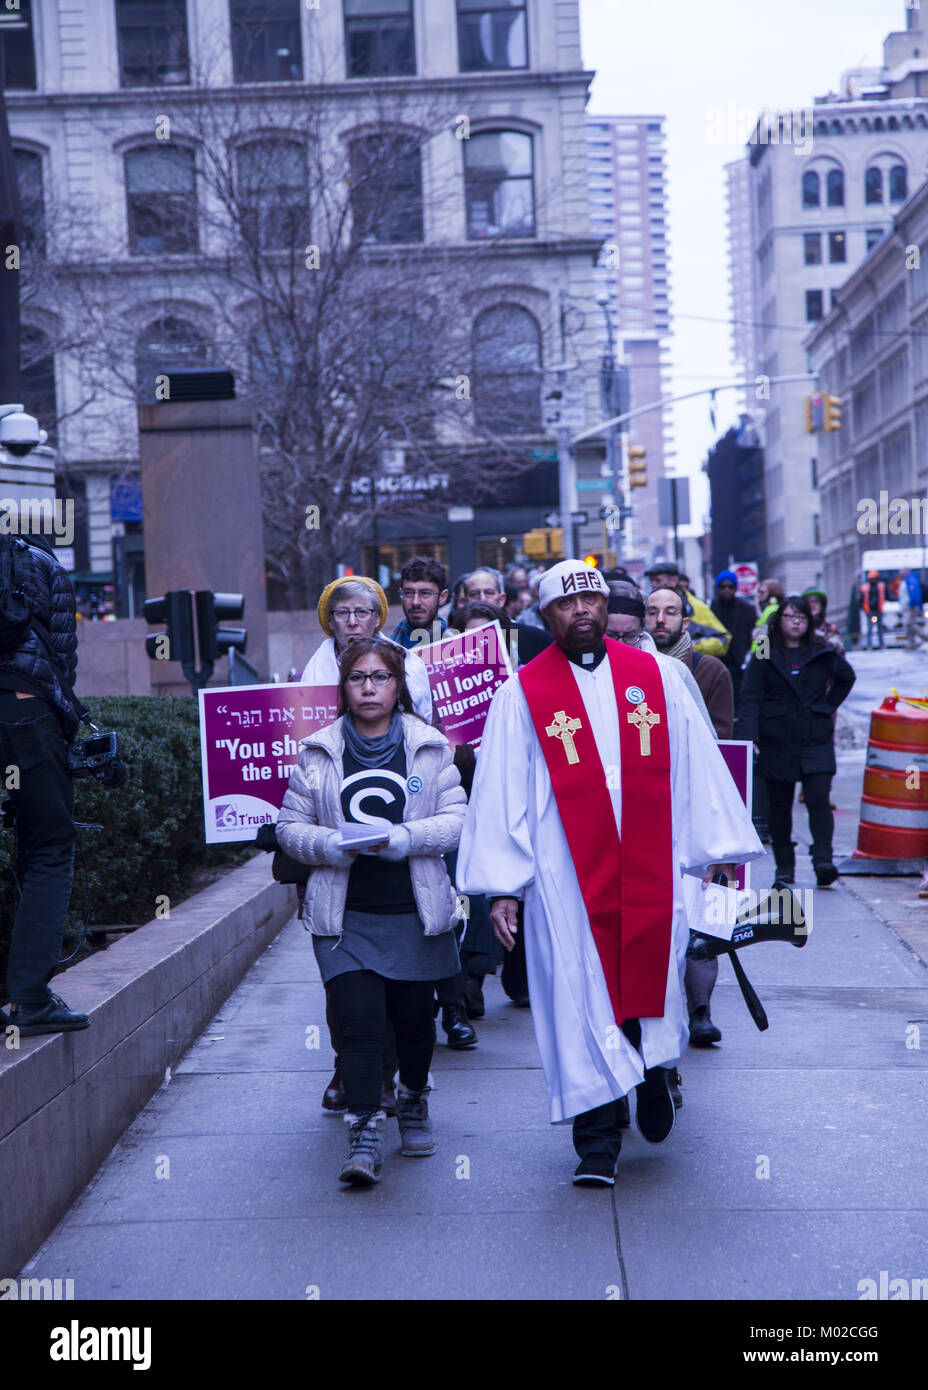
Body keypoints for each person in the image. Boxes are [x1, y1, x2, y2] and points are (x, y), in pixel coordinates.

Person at [457, 559, 763, 1187]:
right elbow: (500, 795)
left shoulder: (661, 679)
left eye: (591, 600)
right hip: (564, 875)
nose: (583, 613)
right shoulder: (521, 696)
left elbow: (700, 765)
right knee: (578, 994)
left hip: (654, 862)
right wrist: (502, 889)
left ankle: (653, 1075)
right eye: (567, 606)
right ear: (546, 617)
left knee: (650, 979)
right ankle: (596, 1140)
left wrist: (718, 853)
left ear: (605, 605)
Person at [276, 637, 466, 1186]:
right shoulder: (317, 750)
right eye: (357, 677)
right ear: (343, 686)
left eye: (380, 677)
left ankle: (413, 1100)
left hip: (416, 911)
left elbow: (457, 820)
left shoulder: (431, 748)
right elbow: (290, 828)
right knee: (357, 1026)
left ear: (398, 684)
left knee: (413, 1023)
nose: (368, 687)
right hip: (345, 917)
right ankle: (363, 1129)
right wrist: (334, 844)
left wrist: (403, 837)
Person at [0, 535, 90, 1037]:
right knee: (50, 846)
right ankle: (31, 998)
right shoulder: (39, 561)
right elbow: (61, 659)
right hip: (25, 710)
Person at [645, 586, 734, 1049]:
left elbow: (720, 744)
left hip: (696, 804)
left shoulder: (708, 670)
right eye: (652, 611)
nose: (661, 619)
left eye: (671, 612)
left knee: (706, 912)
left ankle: (700, 1007)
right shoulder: (629, 673)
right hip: (651, 813)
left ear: (686, 620)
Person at [738, 595, 855, 888]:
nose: (796, 623)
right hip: (776, 740)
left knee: (818, 799)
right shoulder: (765, 648)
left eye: (801, 618)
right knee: (779, 807)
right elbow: (750, 694)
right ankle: (784, 867)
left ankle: (823, 861)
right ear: (780, 620)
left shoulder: (822, 649)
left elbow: (846, 677)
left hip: (815, 737)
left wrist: (827, 706)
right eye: (790, 617)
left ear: (809, 621)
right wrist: (750, 737)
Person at [301, 575, 432, 722]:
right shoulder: (310, 676)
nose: (352, 622)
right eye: (342, 613)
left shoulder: (410, 666)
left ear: (377, 618)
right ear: (330, 621)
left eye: (362, 612)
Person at [710, 570, 755, 711]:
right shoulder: (710, 608)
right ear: (718, 589)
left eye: (730, 586)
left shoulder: (747, 609)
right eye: (722, 587)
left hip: (740, 665)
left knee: (741, 702)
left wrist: (761, 659)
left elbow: (759, 636)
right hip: (718, 662)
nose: (726, 590)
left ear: (735, 588)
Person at [389, 557, 448, 650]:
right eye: (408, 593)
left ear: (442, 597)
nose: (415, 602)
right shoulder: (387, 647)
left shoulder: (457, 648)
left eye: (425, 593)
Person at [802, 588, 845, 655]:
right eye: (809, 602)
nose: (813, 605)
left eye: (816, 601)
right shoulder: (800, 629)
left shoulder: (831, 629)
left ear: (822, 605)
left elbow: (841, 657)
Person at [897, 568, 926, 650]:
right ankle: (911, 644)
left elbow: (914, 593)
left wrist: (913, 604)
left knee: (907, 623)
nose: (900, 573)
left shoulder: (910, 580)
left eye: (901, 571)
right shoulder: (904, 580)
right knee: (908, 625)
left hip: (910, 607)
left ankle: (924, 635)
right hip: (906, 607)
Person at [753, 579, 784, 653]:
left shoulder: (773, 610)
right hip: (760, 653)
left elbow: (767, 635)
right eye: (758, 591)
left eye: (762, 592)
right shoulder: (768, 609)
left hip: (763, 655)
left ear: (772, 593)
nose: (758, 595)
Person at [859, 571, 886, 651]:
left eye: (874, 578)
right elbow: (861, 600)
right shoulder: (864, 588)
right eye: (872, 579)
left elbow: (886, 596)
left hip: (878, 610)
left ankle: (881, 645)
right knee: (870, 628)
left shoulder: (881, 586)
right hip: (870, 611)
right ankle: (869, 645)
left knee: (880, 628)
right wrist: (865, 611)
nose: (873, 580)